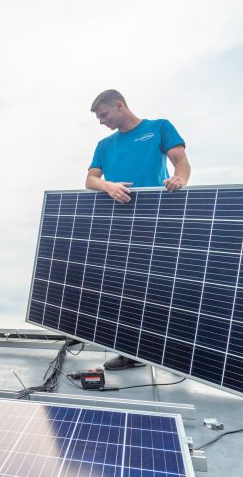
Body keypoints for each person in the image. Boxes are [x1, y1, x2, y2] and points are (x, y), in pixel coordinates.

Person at [86, 89, 191, 370]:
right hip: (119, 220)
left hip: (155, 219)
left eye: (104, 115)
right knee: (125, 286)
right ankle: (131, 352)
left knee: (157, 285)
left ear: (119, 106)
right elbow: (91, 179)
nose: (101, 121)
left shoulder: (159, 128)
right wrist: (108, 185)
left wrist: (179, 178)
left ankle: (169, 351)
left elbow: (180, 161)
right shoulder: (105, 145)